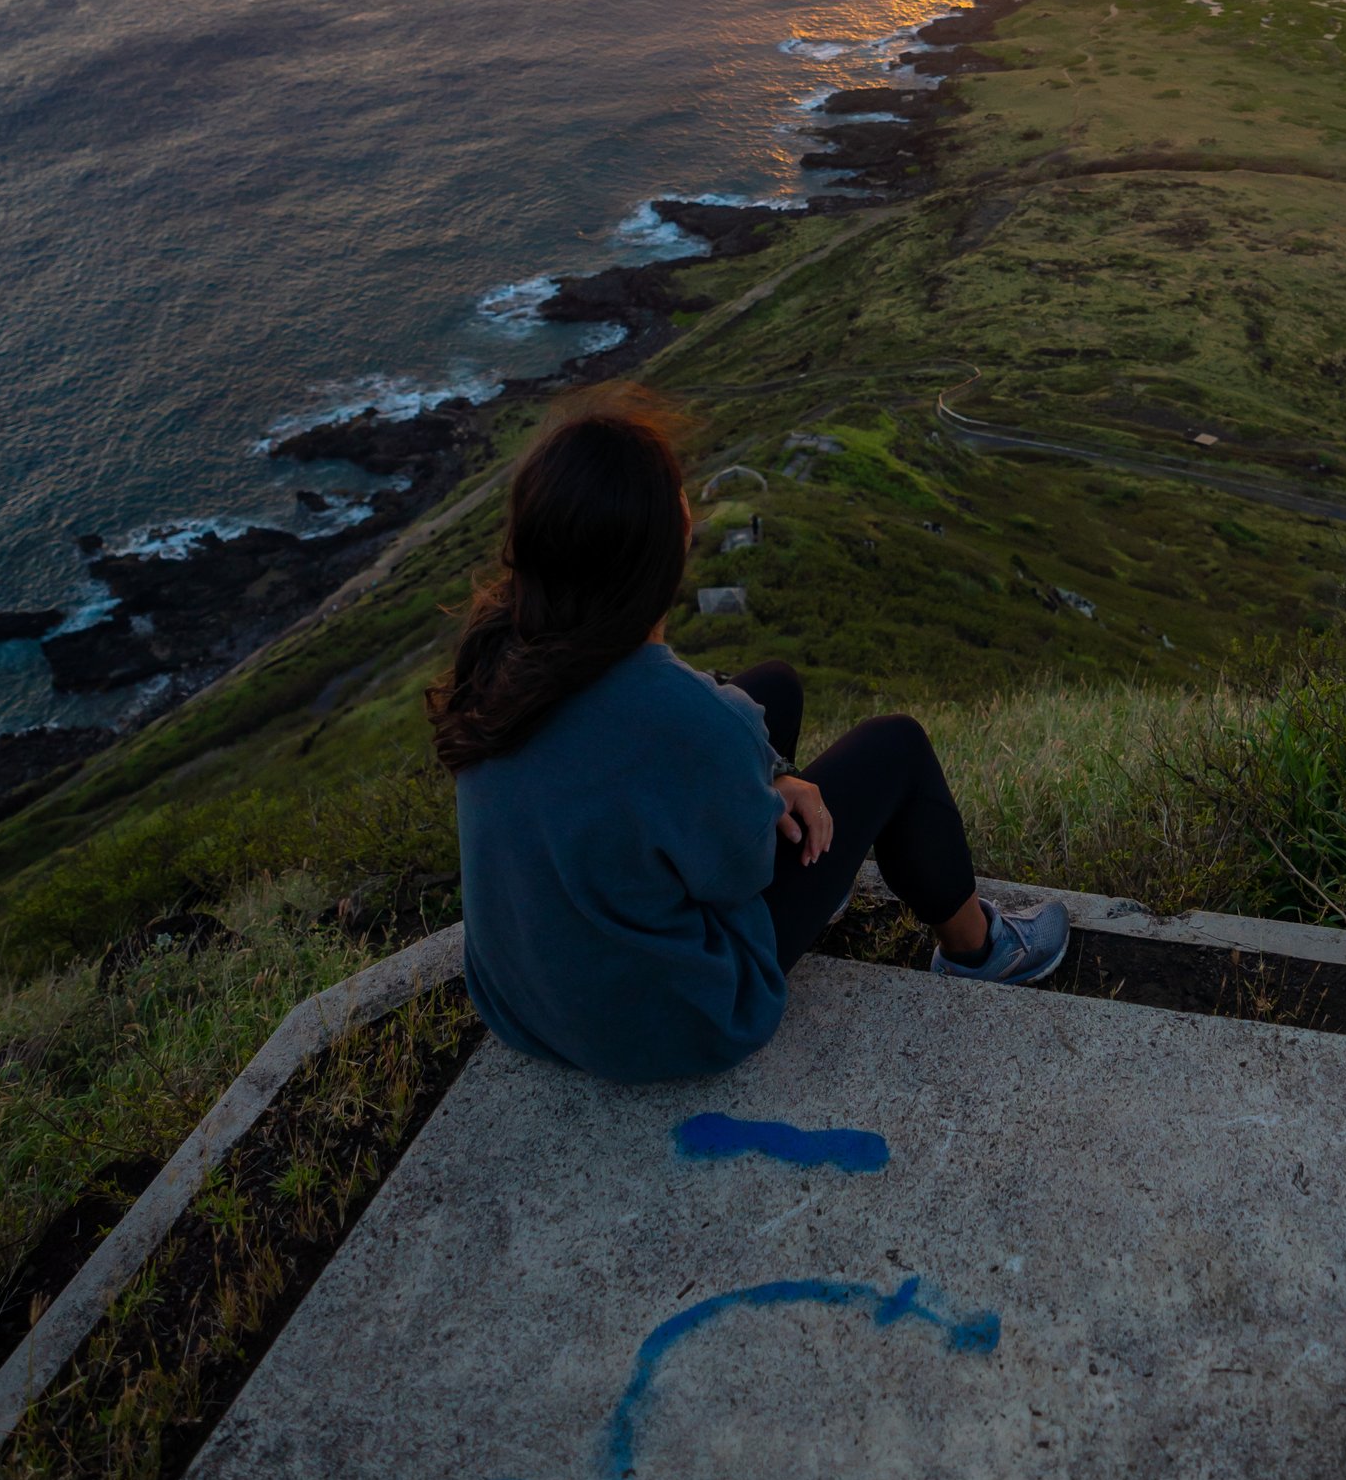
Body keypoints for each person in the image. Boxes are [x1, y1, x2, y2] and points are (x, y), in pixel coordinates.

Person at [430, 394, 1068, 1082]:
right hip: (669, 1028)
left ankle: (821, 865)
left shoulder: (497, 660)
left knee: (774, 688)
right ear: (660, 553)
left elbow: (627, 749)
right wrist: (768, 802)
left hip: (521, 1005)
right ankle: (982, 951)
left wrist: (773, 776)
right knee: (896, 748)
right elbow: (739, 874)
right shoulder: (683, 718)